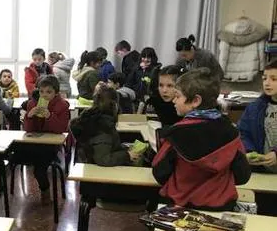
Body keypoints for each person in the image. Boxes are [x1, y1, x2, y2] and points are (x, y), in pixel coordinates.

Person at [152, 68, 251, 211]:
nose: (174, 100)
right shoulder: (232, 133)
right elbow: (242, 176)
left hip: (179, 207)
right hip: (221, 207)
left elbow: (159, 173)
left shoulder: (175, 134)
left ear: (196, 101)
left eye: (178, 96)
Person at [19, 75, 70, 202]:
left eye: (49, 92)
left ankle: (45, 190)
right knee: (16, 155)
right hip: (34, 142)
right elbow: (27, 129)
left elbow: (61, 129)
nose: (44, 95)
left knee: (39, 168)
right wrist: (29, 116)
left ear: (56, 92)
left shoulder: (62, 105)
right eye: (41, 91)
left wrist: (49, 116)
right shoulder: (32, 103)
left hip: (50, 145)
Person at [70, 85, 139, 166]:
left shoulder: (92, 118)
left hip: (90, 167)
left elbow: (106, 146)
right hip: (98, 172)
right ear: (115, 105)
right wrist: (126, 155)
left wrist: (123, 149)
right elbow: (103, 159)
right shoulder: (103, 126)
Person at [239, 59, 277, 173]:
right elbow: (243, 133)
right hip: (262, 172)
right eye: (264, 78)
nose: (267, 83)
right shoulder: (254, 108)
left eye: (274, 79)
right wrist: (249, 151)